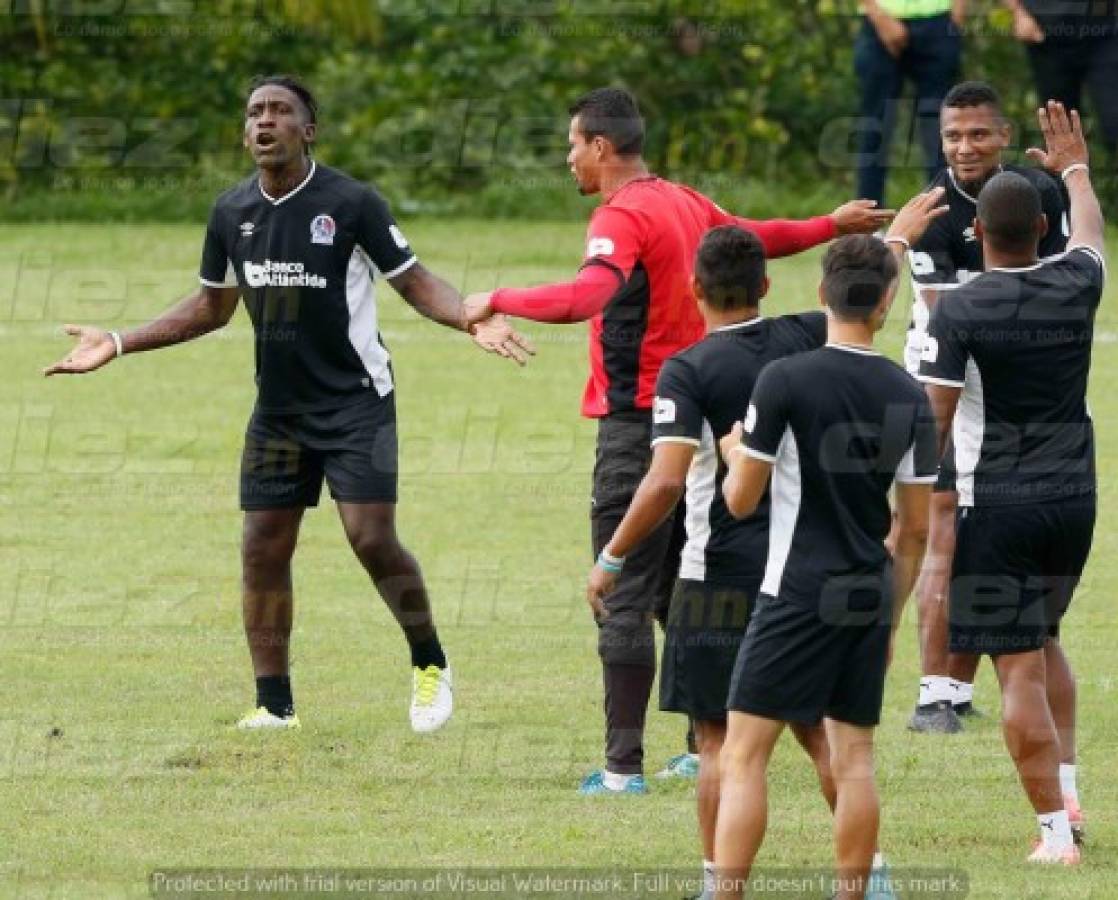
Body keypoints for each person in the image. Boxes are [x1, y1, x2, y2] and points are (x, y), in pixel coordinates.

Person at [43, 75, 533, 733]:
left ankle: (429, 662)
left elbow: (415, 283)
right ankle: (274, 704)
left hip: (358, 403)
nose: (264, 122)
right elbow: (210, 308)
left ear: (308, 130)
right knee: (261, 549)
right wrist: (121, 340)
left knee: (370, 537)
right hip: (278, 412)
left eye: (280, 111)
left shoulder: (352, 203)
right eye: (254, 113)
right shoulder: (230, 212)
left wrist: (472, 319)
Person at [463, 87, 893, 794]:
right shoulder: (686, 201)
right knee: (676, 586)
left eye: (573, 145)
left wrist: (498, 296)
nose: (569, 158)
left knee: (623, 587)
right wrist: (828, 223)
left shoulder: (621, 215)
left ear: (602, 148)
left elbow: (585, 297)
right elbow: (752, 239)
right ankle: (705, 739)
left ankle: (621, 767)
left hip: (642, 424)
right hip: (708, 417)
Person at [585, 226, 838, 897]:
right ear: (764, 285)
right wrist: (894, 239)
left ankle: (716, 884)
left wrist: (612, 556)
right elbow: (864, 289)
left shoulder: (688, 370)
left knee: (718, 739)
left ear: (695, 289)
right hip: (800, 568)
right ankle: (866, 873)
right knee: (819, 731)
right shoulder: (803, 337)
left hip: (716, 573)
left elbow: (666, 481)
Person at [713, 227, 941, 900]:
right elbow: (918, 530)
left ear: (820, 294)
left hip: (795, 587)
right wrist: (893, 619)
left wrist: (732, 452)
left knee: (744, 754)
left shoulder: (783, 378)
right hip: (869, 590)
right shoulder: (909, 394)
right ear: (887, 302)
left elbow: (743, 500)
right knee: (856, 756)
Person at [918, 101, 1104, 861]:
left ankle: (1054, 835)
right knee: (1048, 638)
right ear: (1040, 230)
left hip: (998, 506)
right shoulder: (1078, 282)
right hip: (1076, 503)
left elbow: (931, 423)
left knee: (1017, 666)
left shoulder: (959, 309)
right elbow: (1090, 227)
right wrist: (1078, 169)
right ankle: (1071, 794)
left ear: (977, 234)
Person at [898, 80, 1070, 734]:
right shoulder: (933, 210)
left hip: (1012, 377)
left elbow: (1056, 293)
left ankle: (977, 680)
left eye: (977, 134)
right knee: (945, 521)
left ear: (1002, 136)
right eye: (951, 136)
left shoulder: (1038, 194)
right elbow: (947, 324)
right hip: (946, 376)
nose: (964, 147)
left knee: (1011, 523)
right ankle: (934, 695)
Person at [855, 0, 967, 208]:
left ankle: (942, 217)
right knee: (875, 124)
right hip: (880, 20)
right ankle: (868, 219)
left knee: (941, 126)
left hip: (939, 20)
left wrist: (957, 14)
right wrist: (878, 16)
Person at [1004, 0, 1118, 161]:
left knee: (1113, 119)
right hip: (1046, 36)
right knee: (1061, 130)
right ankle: (1070, 184)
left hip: (1105, 33)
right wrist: (1019, 13)